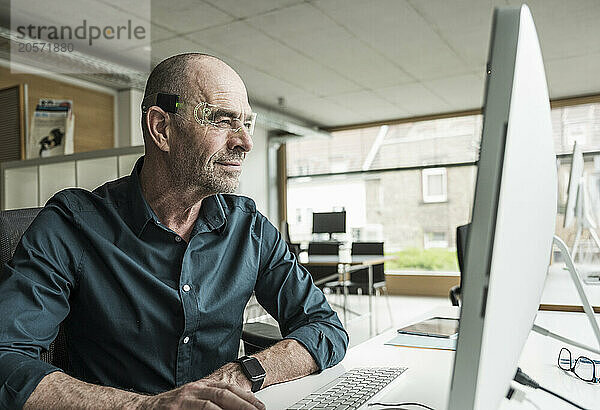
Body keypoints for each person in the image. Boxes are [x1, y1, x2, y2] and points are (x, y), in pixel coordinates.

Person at [0, 53, 348, 409]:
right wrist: (147, 407)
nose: (245, 142)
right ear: (161, 128)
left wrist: (242, 374)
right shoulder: (72, 224)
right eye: (222, 119)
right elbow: (4, 359)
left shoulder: (249, 228)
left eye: (245, 123)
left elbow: (325, 326)